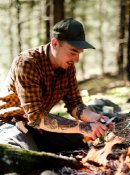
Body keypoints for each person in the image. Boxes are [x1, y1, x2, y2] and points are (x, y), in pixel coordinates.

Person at [0, 18, 112, 153]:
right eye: (73, 52)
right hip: (9, 123)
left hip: (37, 126)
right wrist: (84, 127)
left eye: (79, 53)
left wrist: (94, 118)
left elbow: (75, 103)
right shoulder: (27, 63)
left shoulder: (67, 66)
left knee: (78, 141)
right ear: (54, 43)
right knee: (24, 155)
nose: (76, 60)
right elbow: (36, 117)